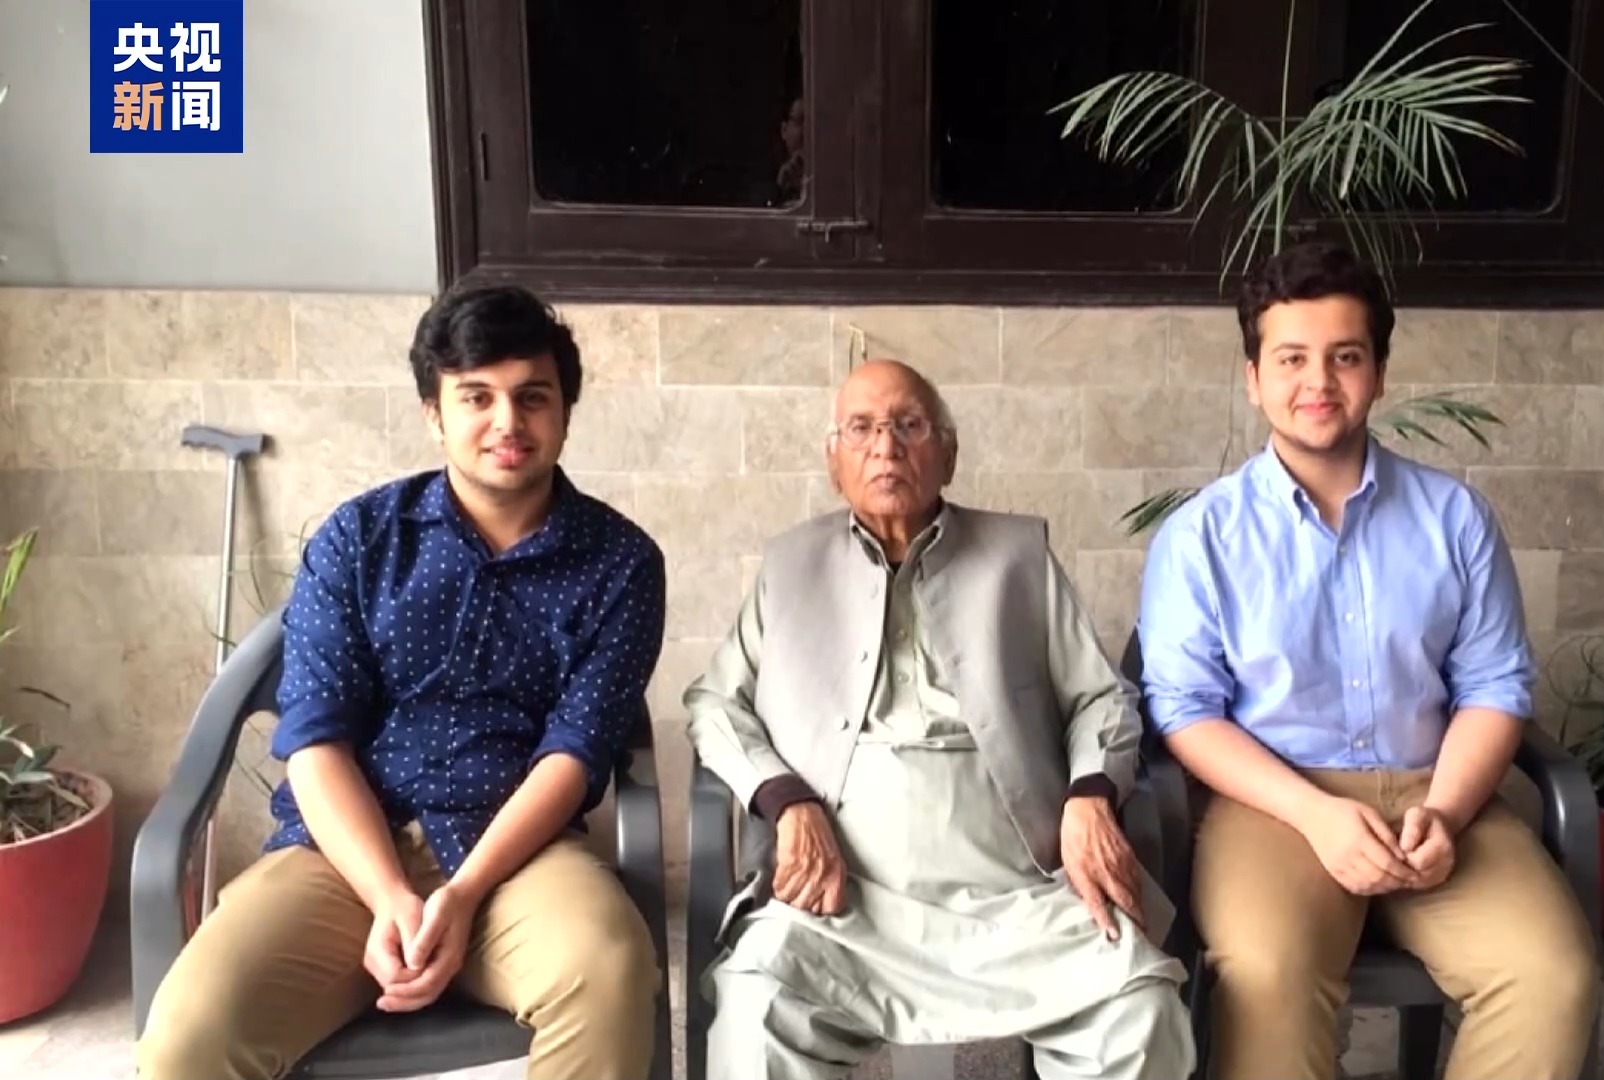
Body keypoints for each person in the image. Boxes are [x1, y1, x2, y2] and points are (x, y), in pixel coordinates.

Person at [136, 285, 667, 1080]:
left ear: (565, 411)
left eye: (532, 396)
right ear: (434, 414)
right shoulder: (359, 539)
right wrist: (389, 894)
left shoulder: (620, 564)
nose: (508, 422)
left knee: (609, 974)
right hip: (341, 858)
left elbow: (574, 752)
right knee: (191, 1033)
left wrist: (463, 893)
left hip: (517, 860)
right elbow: (315, 741)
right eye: (476, 397)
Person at [1137, 243, 1598, 1080]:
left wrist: (1447, 814)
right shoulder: (1201, 537)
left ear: (1379, 373)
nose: (1318, 381)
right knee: (1269, 975)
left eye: (1345, 356)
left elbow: (1495, 686)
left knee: (1551, 978)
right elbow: (1184, 712)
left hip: (1437, 793)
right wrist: (1316, 814)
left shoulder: (1456, 518)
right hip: (1273, 806)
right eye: (1291, 359)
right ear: (1253, 378)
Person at [684, 359, 1195, 1080]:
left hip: (1019, 895)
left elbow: (1101, 698)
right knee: (756, 1005)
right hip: (842, 899)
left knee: (1138, 1013)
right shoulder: (789, 566)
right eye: (861, 429)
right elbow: (715, 703)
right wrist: (784, 798)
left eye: (909, 425)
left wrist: (1090, 793)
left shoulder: (1019, 559)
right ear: (833, 461)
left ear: (948, 454)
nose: (885, 447)